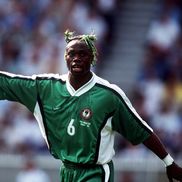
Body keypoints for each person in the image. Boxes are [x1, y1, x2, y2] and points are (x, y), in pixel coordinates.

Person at [0, 30, 182, 182]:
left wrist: (168, 162)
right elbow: (7, 83)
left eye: (82, 54)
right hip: (67, 171)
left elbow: (141, 130)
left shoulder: (108, 95)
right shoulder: (45, 88)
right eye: (72, 53)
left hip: (96, 172)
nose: (76, 58)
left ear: (92, 58)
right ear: (65, 57)